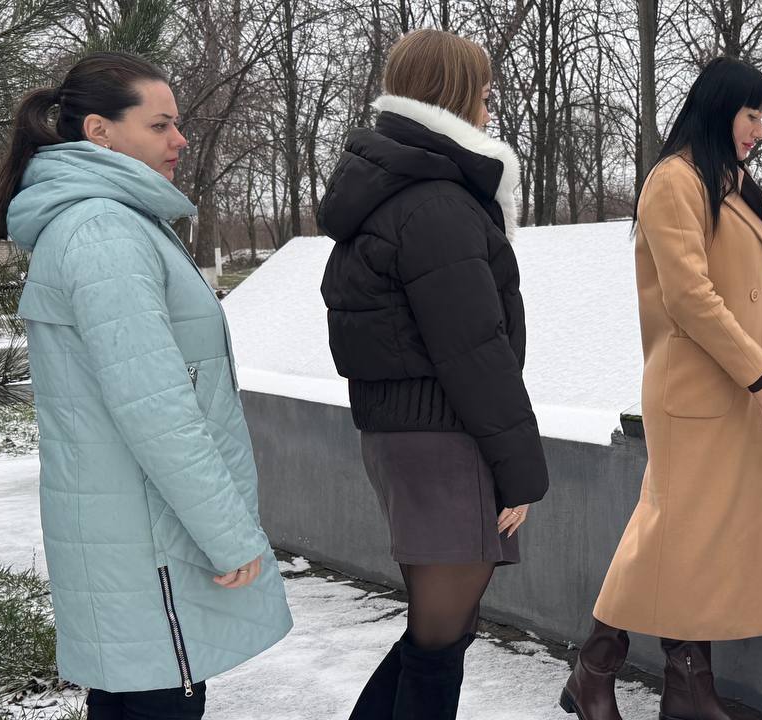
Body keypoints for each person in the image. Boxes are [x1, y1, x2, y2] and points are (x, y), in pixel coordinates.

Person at [560, 57, 762, 720]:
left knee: (697, 541)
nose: (760, 129)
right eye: (751, 114)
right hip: (694, 390)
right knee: (672, 531)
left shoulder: (734, 186)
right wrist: (761, 373)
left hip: (734, 389)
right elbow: (689, 297)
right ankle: (598, 669)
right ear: (718, 109)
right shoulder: (671, 184)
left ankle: (678, 687)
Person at [0, 51, 292, 719]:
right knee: (158, 699)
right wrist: (229, 534)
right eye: (160, 125)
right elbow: (157, 409)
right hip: (148, 540)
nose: (180, 141)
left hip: (132, 529)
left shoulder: (115, 223)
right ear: (100, 131)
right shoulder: (104, 232)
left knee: (134, 697)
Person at [318, 29, 550, 720]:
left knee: (438, 633)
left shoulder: (402, 190)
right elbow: (473, 350)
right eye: (481, 89)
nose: (489, 103)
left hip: (406, 435)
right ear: (452, 93)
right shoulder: (436, 203)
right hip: (444, 438)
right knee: (440, 640)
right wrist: (522, 470)